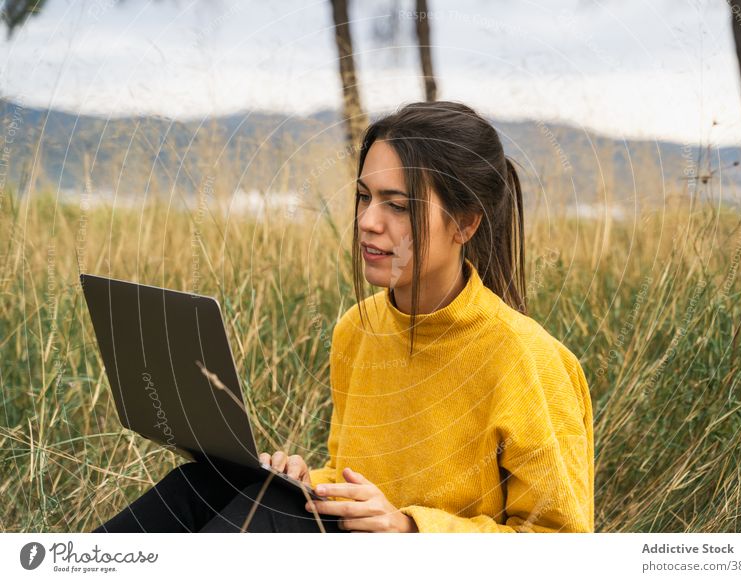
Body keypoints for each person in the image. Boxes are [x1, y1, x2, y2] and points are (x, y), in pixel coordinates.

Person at [93, 100, 593, 533]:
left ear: (464, 223)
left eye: (397, 205)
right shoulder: (357, 329)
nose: (368, 222)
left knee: (272, 513)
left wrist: (410, 527)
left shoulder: (529, 360)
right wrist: (307, 480)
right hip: (354, 547)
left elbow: (562, 547)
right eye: (363, 197)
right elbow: (354, 472)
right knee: (206, 482)